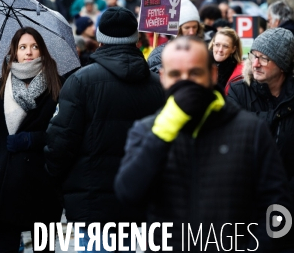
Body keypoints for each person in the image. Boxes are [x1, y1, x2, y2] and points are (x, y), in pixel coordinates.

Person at [115, 36, 293, 251]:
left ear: (213, 74)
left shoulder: (250, 130)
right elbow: (128, 193)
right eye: (175, 74)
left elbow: (278, 208)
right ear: (162, 78)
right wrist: (162, 134)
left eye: (194, 73)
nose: (185, 81)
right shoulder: (147, 130)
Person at [45, 7, 165, 251]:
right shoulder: (159, 85)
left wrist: (58, 182)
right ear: (136, 38)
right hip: (144, 201)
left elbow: (59, 143)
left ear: (100, 39)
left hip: (93, 204)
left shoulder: (80, 81)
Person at [0, 27, 63, 253]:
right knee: (5, 246)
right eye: (23, 47)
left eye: (34, 46)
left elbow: (62, 132)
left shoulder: (56, 84)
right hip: (5, 181)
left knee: (44, 247)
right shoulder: (1, 85)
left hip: (41, 180)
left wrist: (33, 139)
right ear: (14, 52)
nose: (29, 52)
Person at [227, 27, 294, 196]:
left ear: (282, 65)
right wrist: (277, 116)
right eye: (254, 56)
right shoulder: (238, 91)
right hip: (247, 194)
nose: (255, 64)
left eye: (264, 59)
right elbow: (233, 131)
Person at [147, 0, 203, 73]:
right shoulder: (159, 54)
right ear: (178, 29)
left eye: (194, 27)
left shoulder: (202, 50)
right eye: (187, 28)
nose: (191, 32)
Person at [209, 28, 243, 93]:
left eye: (225, 46)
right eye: (217, 45)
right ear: (213, 45)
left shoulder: (241, 74)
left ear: (233, 49)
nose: (220, 50)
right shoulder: (202, 66)